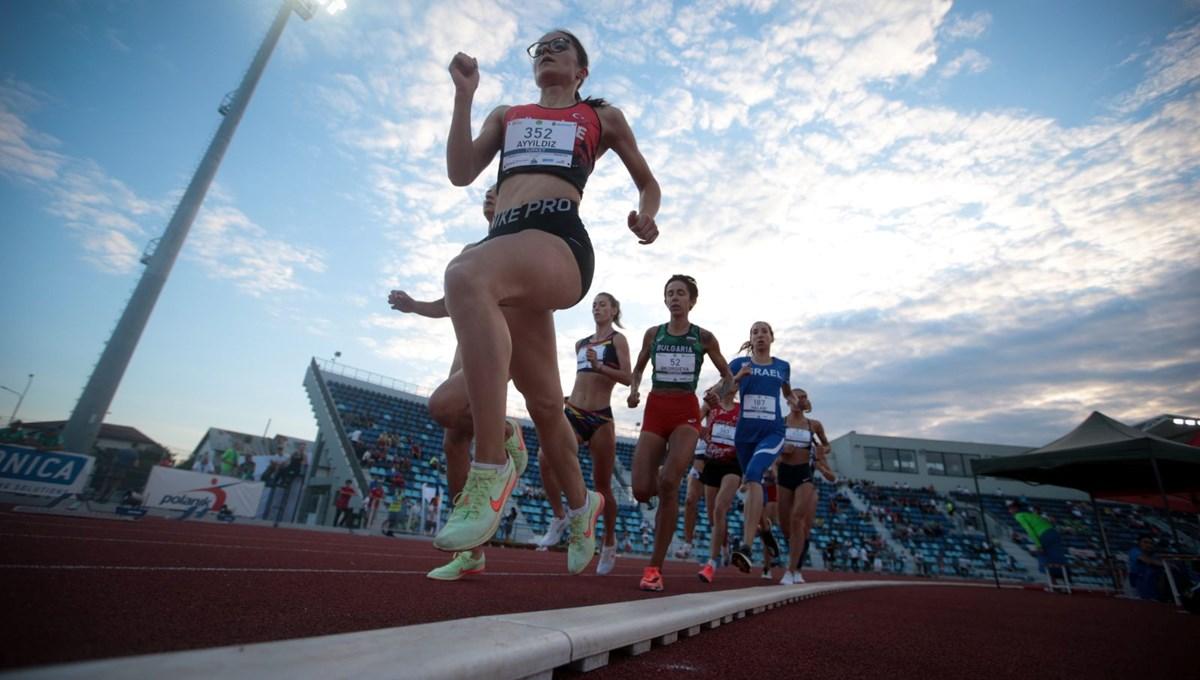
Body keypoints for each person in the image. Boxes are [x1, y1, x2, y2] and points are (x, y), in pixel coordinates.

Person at [436, 29, 660, 575]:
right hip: (506, 247)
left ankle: (492, 466)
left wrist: (647, 215)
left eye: (561, 46)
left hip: (558, 242)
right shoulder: (507, 114)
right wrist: (464, 96)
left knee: (463, 272)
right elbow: (461, 172)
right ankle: (583, 509)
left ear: (582, 70)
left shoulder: (601, 117)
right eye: (540, 48)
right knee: (475, 408)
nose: (548, 52)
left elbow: (647, 184)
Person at [389, 186, 530, 580]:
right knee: (453, 440)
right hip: (464, 347)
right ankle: (471, 552)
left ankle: (506, 432)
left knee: (443, 407)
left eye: (499, 193)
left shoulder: (524, 247)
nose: (490, 197)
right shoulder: (472, 250)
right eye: (486, 194)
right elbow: (451, 303)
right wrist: (414, 305)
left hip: (499, 346)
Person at [628, 274, 733, 591]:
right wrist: (633, 391)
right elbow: (637, 370)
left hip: (686, 412)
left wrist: (715, 394)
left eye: (680, 294)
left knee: (670, 482)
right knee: (641, 490)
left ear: (692, 301)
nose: (675, 298)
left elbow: (728, 377)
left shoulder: (703, 337)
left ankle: (654, 569)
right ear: (664, 300)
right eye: (670, 293)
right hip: (655, 409)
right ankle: (664, 498)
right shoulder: (653, 334)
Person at [535, 292, 632, 576]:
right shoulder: (581, 343)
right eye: (594, 304)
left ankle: (609, 542)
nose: (597, 308)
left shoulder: (618, 340)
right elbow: (581, 377)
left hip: (601, 418)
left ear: (614, 310)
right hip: (574, 412)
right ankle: (559, 517)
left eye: (603, 304)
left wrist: (601, 366)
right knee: (544, 457)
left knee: (602, 486)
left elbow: (628, 377)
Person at [728, 322, 795, 574]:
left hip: (772, 433)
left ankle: (746, 547)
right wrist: (735, 379)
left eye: (763, 331)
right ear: (751, 339)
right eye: (754, 332)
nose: (759, 336)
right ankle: (765, 529)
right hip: (744, 436)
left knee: (754, 474)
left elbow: (787, 393)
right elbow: (724, 392)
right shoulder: (739, 365)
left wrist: (795, 401)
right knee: (753, 485)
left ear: (771, 338)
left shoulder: (782, 367)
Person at [776, 388, 830, 584]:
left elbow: (826, 445)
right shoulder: (780, 423)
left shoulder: (813, 425)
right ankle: (796, 558)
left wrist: (821, 452)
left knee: (797, 518)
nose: (802, 399)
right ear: (789, 400)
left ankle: (791, 570)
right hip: (784, 473)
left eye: (805, 396)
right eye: (798, 396)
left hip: (804, 474)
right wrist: (782, 449)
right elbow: (769, 445)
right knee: (785, 525)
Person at [695, 383, 742, 583]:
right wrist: (702, 429)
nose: (732, 387)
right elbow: (694, 420)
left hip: (733, 464)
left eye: (735, 384)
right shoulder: (712, 405)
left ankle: (711, 563)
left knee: (720, 509)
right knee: (713, 516)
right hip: (711, 462)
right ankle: (724, 545)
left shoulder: (742, 409)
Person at [1009, 503, 1069, 585]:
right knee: (1058, 558)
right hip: (1053, 533)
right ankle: (1067, 581)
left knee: (1043, 558)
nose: (1009, 511)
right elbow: (1045, 523)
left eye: (1011, 509)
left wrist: (1038, 545)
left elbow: (1029, 530)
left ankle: (1054, 584)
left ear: (1015, 509)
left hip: (1044, 535)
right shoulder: (1030, 514)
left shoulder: (1019, 516)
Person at [1128, 534, 1167, 600]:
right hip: (1135, 580)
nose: (1148, 545)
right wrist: (1166, 565)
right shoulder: (1134, 551)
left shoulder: (1153, 554)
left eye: (1150, 543)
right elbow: (1146, 560)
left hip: (1151, 582)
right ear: (1139, 543)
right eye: (1145, 542)